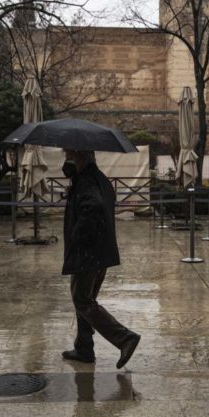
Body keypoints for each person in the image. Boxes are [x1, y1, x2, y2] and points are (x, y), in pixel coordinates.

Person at [60, 148, 141, 368]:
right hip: (99, 251)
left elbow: (93, 206)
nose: (65, 159)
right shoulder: (96, 178)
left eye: (68, 154)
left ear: (80, 157)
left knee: (83, 300)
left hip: (88, 252)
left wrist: (77, 235)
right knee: (85, 299)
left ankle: (125, 338)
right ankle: (84, 348)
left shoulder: (86, 181)